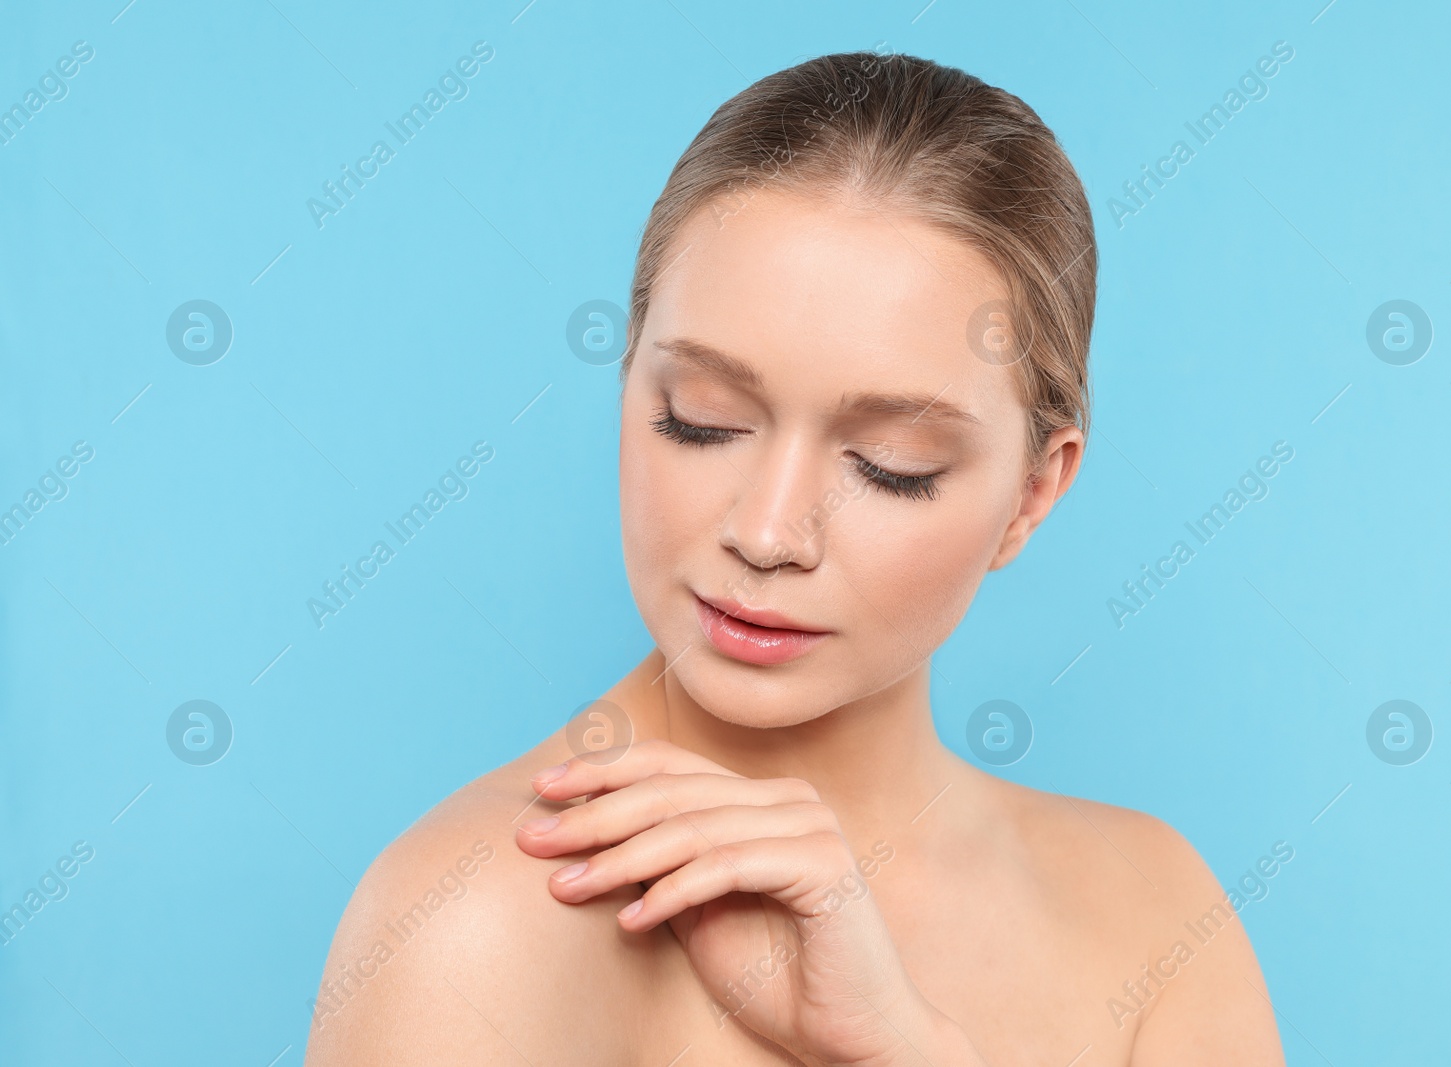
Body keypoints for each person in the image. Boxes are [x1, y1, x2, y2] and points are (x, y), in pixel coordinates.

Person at [306, 50, 1285, 1065]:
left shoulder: (1157, 913)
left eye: (890, 466)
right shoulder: (477, 920)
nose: (767, 534)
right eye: (702, 421)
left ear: (1031, 494)